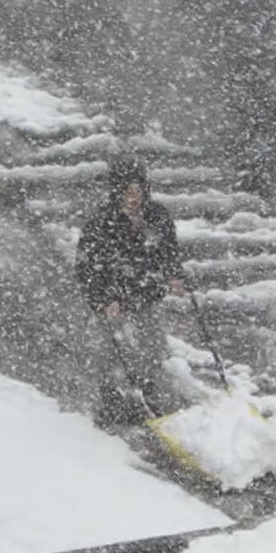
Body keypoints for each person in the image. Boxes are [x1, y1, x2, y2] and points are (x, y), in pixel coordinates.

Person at [75, 156, 186, 426]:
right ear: (116, 192)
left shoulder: (157, 217)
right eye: (127, 191)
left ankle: (151, 398)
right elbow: (87, 269)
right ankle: (111, 404)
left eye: (138, 191)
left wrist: (174, 276)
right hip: (112, 298)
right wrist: (103, 300)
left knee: (153, 348)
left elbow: (169, 252)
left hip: (146, 293)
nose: (133, 198)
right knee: (110, 352)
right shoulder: (100, 223)